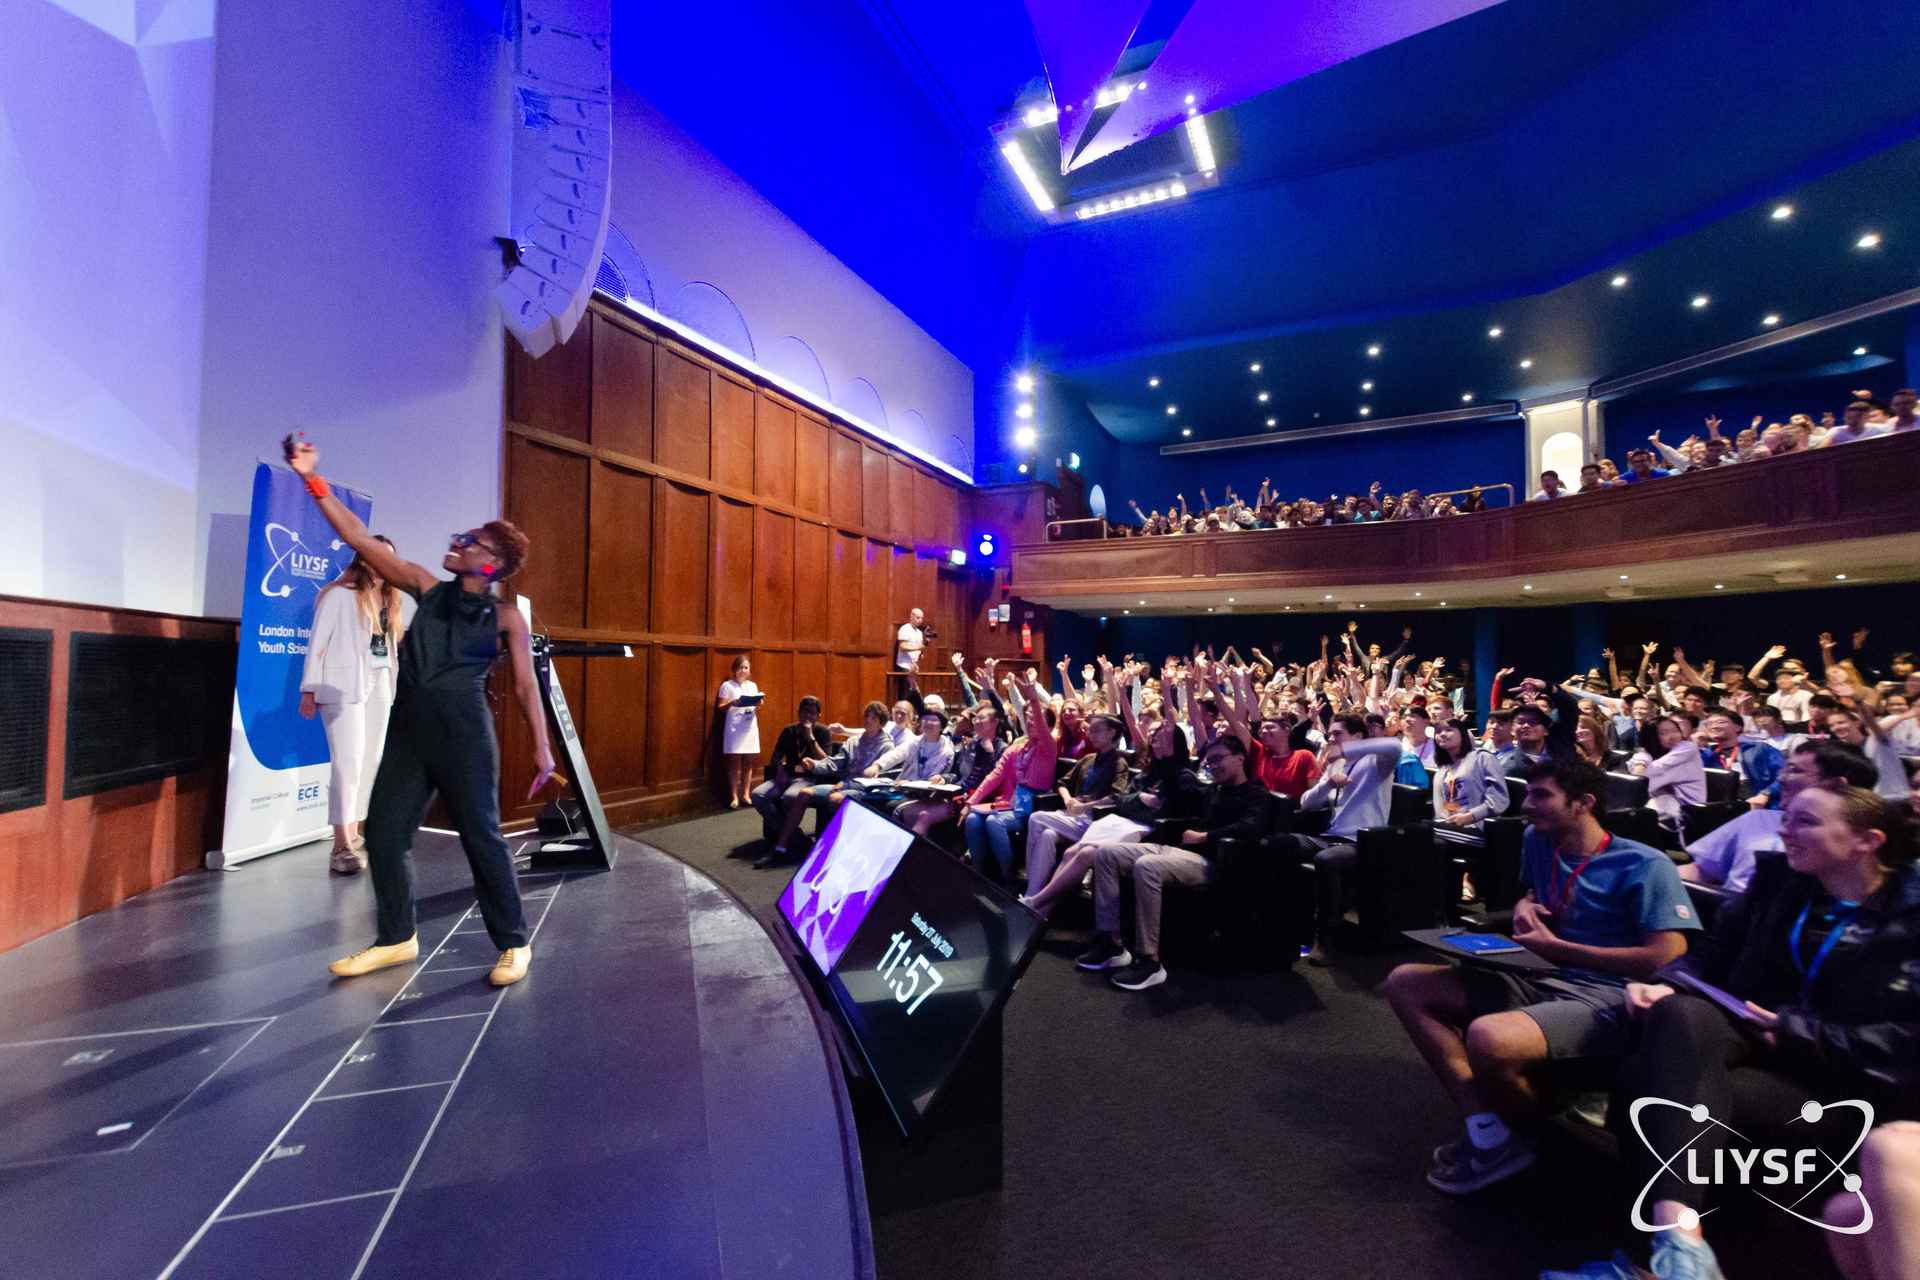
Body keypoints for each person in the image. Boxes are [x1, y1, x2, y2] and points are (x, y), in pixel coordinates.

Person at [1546, 785, 1920, 1279]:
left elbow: (1908, 1041)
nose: (1785, 831)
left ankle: (1655, 1264)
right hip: (1770, 1052)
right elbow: (1710, 955)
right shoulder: (1782, 883)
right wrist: (1662, 983)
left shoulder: (1910, 913)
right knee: (1678, 1019)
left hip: (1852, 1085)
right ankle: (1681, 1244)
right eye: (1787, 819)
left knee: (1656, 1083)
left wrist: (1800, 1032)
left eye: (1805, 822)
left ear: (1867, 841)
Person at [285, 436, 553, 989]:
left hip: (464, 737)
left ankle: (513, 942)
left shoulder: (506, 618)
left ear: (492, 564)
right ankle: (396, 938)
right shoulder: (426, 588)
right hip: (409, 733)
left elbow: (527, 686)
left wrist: (542, 748)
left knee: (482, 839)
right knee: (384, 834)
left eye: (472, 543)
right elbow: (358, 538)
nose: (458, 543)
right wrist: (312, 479)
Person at [1382, 759, 1697, 1196]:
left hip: (1607, 995)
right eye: (1528, 793)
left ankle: (1540, 1142)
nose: (1527, 804)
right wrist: (1525, 907)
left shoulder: (1646, 865)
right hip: (1539, 972)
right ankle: (1490, 1132)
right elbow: (1533, 894)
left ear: (1583, 803)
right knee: (1406, 982)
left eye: (1541, 795)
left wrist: (1561, 950)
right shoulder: (1537, 839)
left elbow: (1667, 956)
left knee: (1488, 1037)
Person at [1079, 735, 1273, 992]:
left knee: (1147, 865)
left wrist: (1206, 836)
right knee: (1106, 853)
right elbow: (1178, 790)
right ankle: (1111, 943)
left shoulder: (1257, 793)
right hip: (1179, 851)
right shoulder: (1213, 790)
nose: (1214, 766)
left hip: (1213, 860)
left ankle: (1150, 961)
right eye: (1210, 762)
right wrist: (1165, 758)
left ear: (1240, 759)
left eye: (1219, 759)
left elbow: (1252, 827)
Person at [299, 533, 410, 875]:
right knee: (347, 763)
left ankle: (357, 831)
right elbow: (317, 644)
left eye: (389, 556)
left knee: (371, 760)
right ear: (363, 557)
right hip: (342, 686)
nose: (383, 561)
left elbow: (388, 648)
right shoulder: (338, 595)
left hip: (379, 685)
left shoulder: (391, 600)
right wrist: (309, 689)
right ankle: (340, 844)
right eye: (376, 554)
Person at [1281, 715, 1404, 965]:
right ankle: (1286, 925)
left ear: (1358, 736)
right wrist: (1328, 783)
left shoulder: (1376, 762)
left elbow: (1395, 745)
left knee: (1326, 860)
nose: (1331, 739)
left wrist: (1345, 750)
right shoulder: (1336, 765)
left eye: (1337, 734)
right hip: (1330, 837)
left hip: (1362, 841)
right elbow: (1306, 803)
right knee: (1279, 843)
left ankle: (1326, 939)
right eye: (1330, 734)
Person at [1680, 740, 1879, 893]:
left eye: (1795, 771)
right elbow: (1700, 870)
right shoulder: (1758, 819)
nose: (1781, 779)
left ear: (1836, 785)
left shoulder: (1851, 847)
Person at [1022, 715, 1127, 897]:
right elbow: (1062, 783)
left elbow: (1116, 796)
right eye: (1090, 731)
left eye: (1096, 731)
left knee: (1036, 818)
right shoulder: (1088, 759)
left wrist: (1086, 806)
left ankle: (1031, 888)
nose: (1091, 735)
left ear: (1111, 733)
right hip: (1072, 815)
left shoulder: (1119, 763)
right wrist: (1068, 800)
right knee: (1047, 835)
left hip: (1094, 821)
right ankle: (1034, 893)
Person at [749, 696, 834, 867]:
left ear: (818, 715)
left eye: (812, 713)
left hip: (809, 778)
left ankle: (785, 841)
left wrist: (810, 737)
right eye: (804, 712)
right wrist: (780, 770)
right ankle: (797, 837)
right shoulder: (789, 731)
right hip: (786, 776)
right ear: (798, 713)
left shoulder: (823, 732)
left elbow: (826, 761)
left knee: (789, 797)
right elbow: (776, 756)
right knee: (758, 795)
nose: (807, 717)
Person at [1630, 713, 1706, 832]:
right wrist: (1641, 761)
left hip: (1689, 809)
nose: (1672, 736)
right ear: (1651, 737)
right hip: (1667, 804)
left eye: (1675, 731)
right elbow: (1636, 767)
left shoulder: (1687, 749)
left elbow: (1651, 772)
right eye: (1663, 733)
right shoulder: (1656, 752)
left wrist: (1640, 763)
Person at [715, 655, 761, 809]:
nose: (743, 670)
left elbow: (756, 705)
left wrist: (759, 703)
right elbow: (720, 707)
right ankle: (734, 796)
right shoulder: (727, 686)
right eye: (740, 667)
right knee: (734, 763)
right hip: (735, 728)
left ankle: (746, 795)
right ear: (735, 669)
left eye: (746, 667)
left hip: (749, 727)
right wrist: (732, 703)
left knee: (748, 762)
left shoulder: (752, 686)